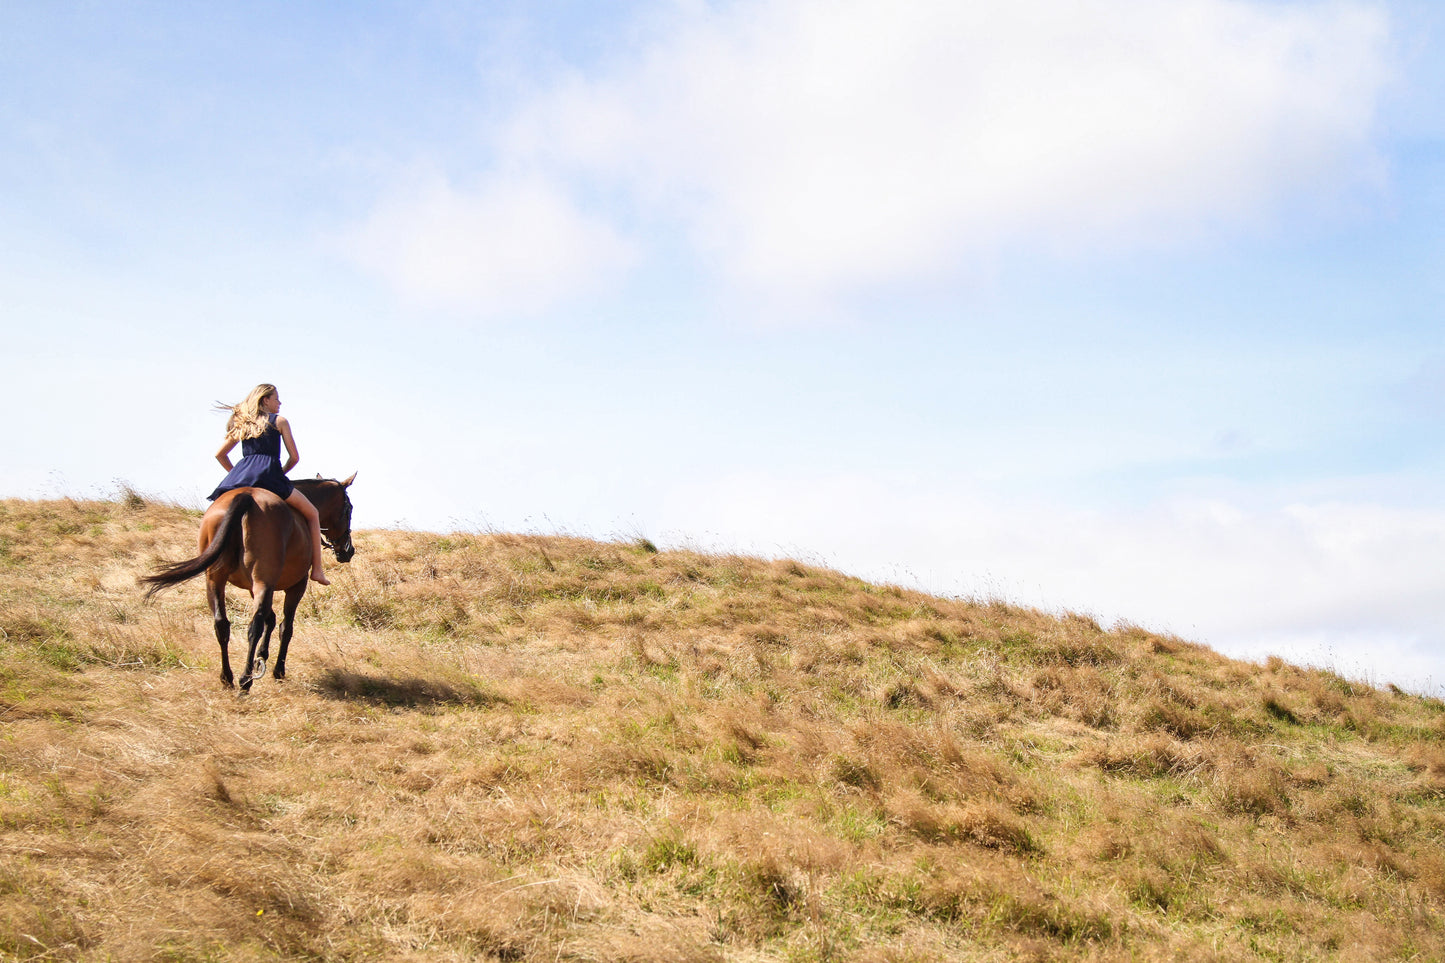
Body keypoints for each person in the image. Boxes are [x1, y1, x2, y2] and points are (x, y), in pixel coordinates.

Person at [208, 383, 330, 585]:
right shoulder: (280, 421)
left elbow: (219, 454)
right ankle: (317, 570)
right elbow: (294, 458)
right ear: (265, 400)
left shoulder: (243, 423)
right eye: (276, 398)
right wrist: (279, 473)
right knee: (312, 513)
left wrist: (238, 474)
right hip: (271, 477)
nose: (279, 402)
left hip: (241, 477)